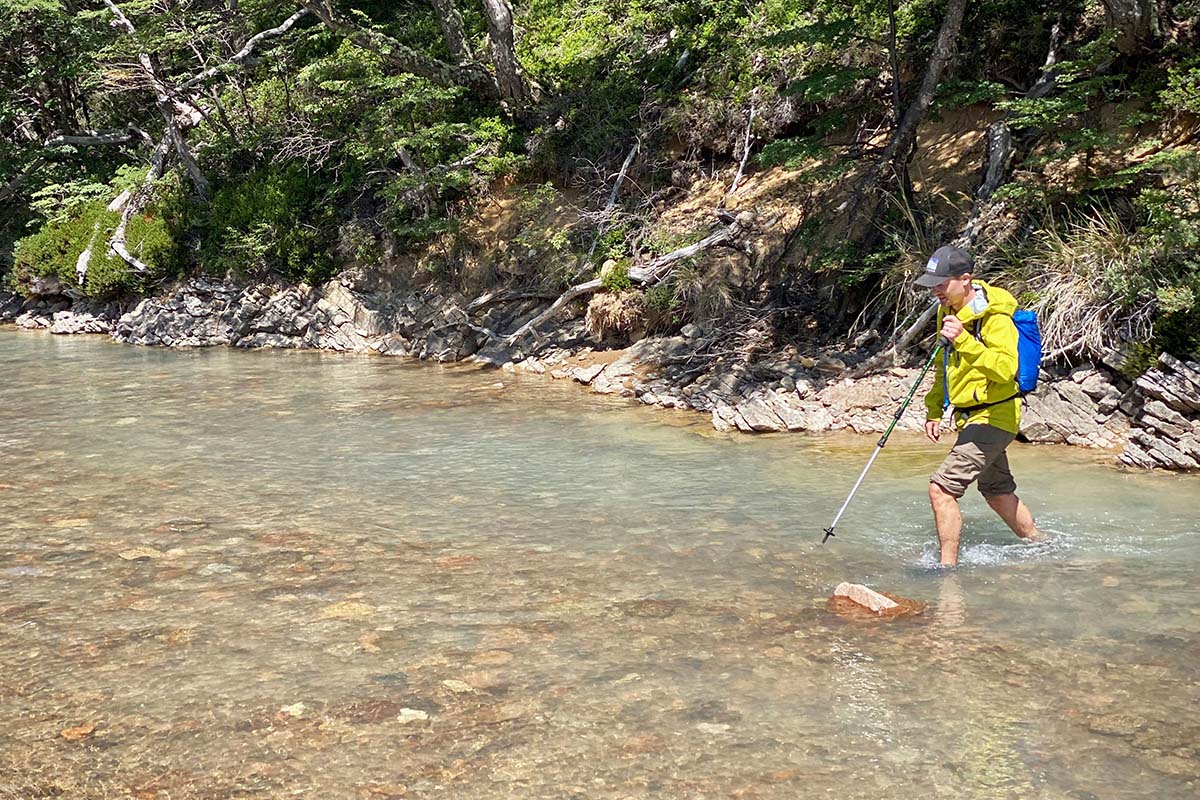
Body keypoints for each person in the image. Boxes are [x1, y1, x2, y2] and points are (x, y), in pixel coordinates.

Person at [916, 245, 1042, 566]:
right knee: (997, 492)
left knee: (940, 490)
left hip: (995, 416)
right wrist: (934, 408)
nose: (935, 292)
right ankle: (1042, 547)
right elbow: (944, 366)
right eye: (932, 285)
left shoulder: (995, 317)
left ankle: (946, 571)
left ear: (966, 279)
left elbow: (1004, 369)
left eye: (941, 284)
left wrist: (964, 340)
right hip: (971, 418)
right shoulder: (950, 311)